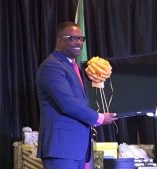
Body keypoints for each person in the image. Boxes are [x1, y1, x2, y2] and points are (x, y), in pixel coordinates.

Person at [36, 22, 118, 169]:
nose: (79, 42)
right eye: (73, 38)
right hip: (61, 149)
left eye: (81, 38)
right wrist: (99, 117)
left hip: (78, 149)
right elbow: (68, 104)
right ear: (59, 39)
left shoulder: (75, 67)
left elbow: (83, 101)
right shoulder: (52, 66)